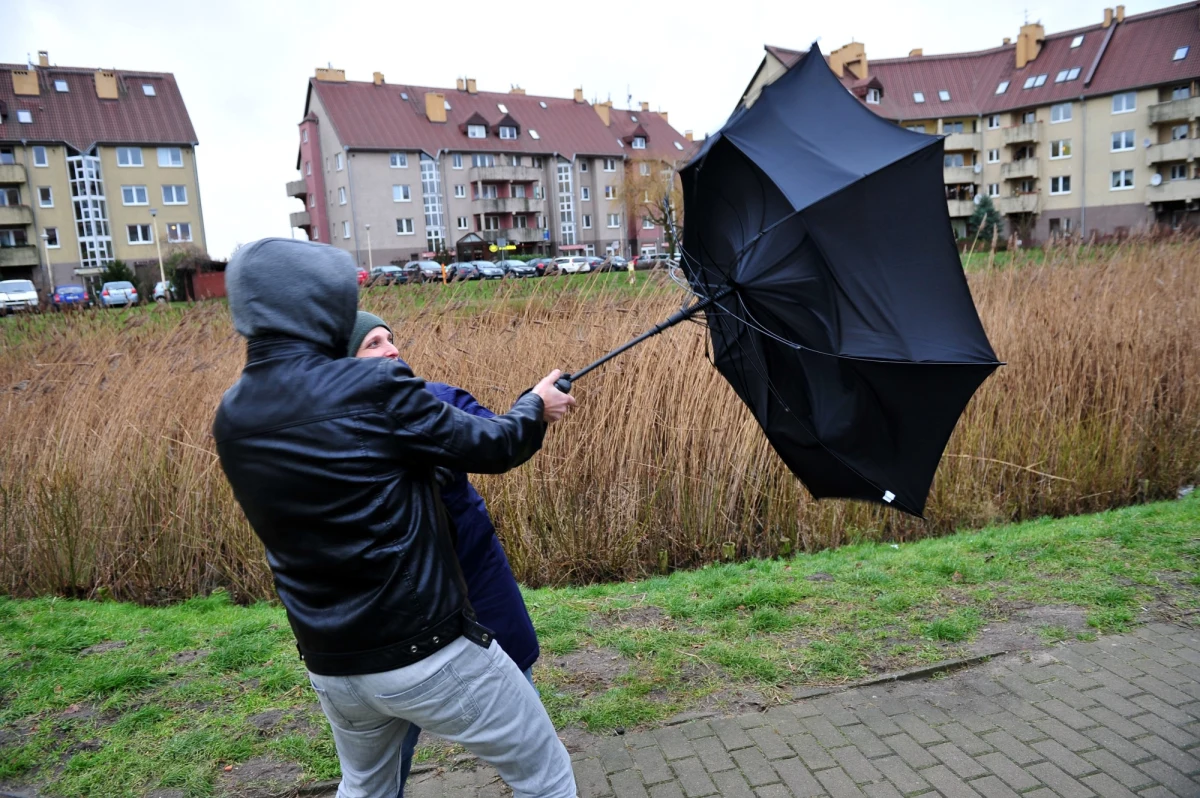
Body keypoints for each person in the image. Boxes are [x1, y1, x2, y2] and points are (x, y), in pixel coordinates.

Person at [212, 239, 577, 798]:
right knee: (546, 777)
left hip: (333, 665)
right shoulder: (373, 386)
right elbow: (494, 445)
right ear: (322, 306)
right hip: (426, 651)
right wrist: (535, 405)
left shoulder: (233, 414)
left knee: (365, 788)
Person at [348, 311, 540, 792]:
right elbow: (502, 441)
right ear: (342, 359)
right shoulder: (410, 407)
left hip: (471, 575)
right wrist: (535, 404)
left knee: (515, 680)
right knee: (399, 726)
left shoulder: (429, 400)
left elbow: (494, 435)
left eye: (391, 339)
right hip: (414, 601)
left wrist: (530, 408)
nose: (392, 349)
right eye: (374, 343)